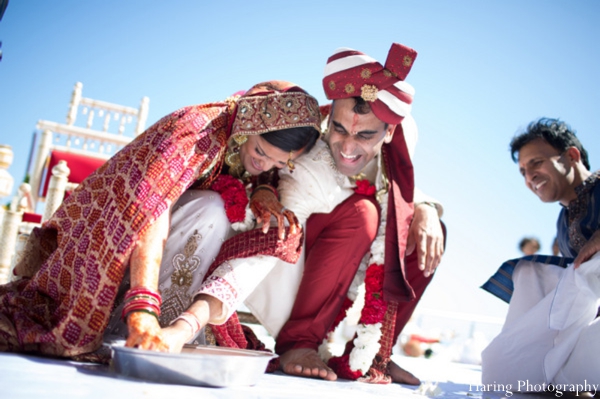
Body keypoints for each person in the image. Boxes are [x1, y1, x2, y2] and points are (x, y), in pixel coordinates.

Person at [0, 81, 322, 360]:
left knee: (267, 227)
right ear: (251, 122)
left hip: (148, 251)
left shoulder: (242, 141)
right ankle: (144, 329)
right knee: (212, 209)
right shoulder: (197, 131)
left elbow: (260, 171)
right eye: (262, 153)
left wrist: (264, 188)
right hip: (105, 245)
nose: (266, 164)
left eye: (280, 164)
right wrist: (141, 311)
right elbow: (150, 213)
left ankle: (172, 331)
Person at [198, 43, 446, 385]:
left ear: (389, 133)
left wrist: (426, 209)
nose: (346, 147)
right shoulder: (310, 145)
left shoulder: (403, 139)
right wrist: (208, 304)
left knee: (426, 230)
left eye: (364, 135)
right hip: (287, 256)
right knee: (362, 213)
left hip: (340, 264)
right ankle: (299, 342)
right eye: (340, 129)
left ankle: (378, 354)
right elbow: (279, 224)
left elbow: (400, 187)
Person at [481, 118, 600, 387]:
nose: (529, 177)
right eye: (522, 171)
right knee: (529, 269)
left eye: (536, 163)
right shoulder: (563, 221)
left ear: (571, 156)